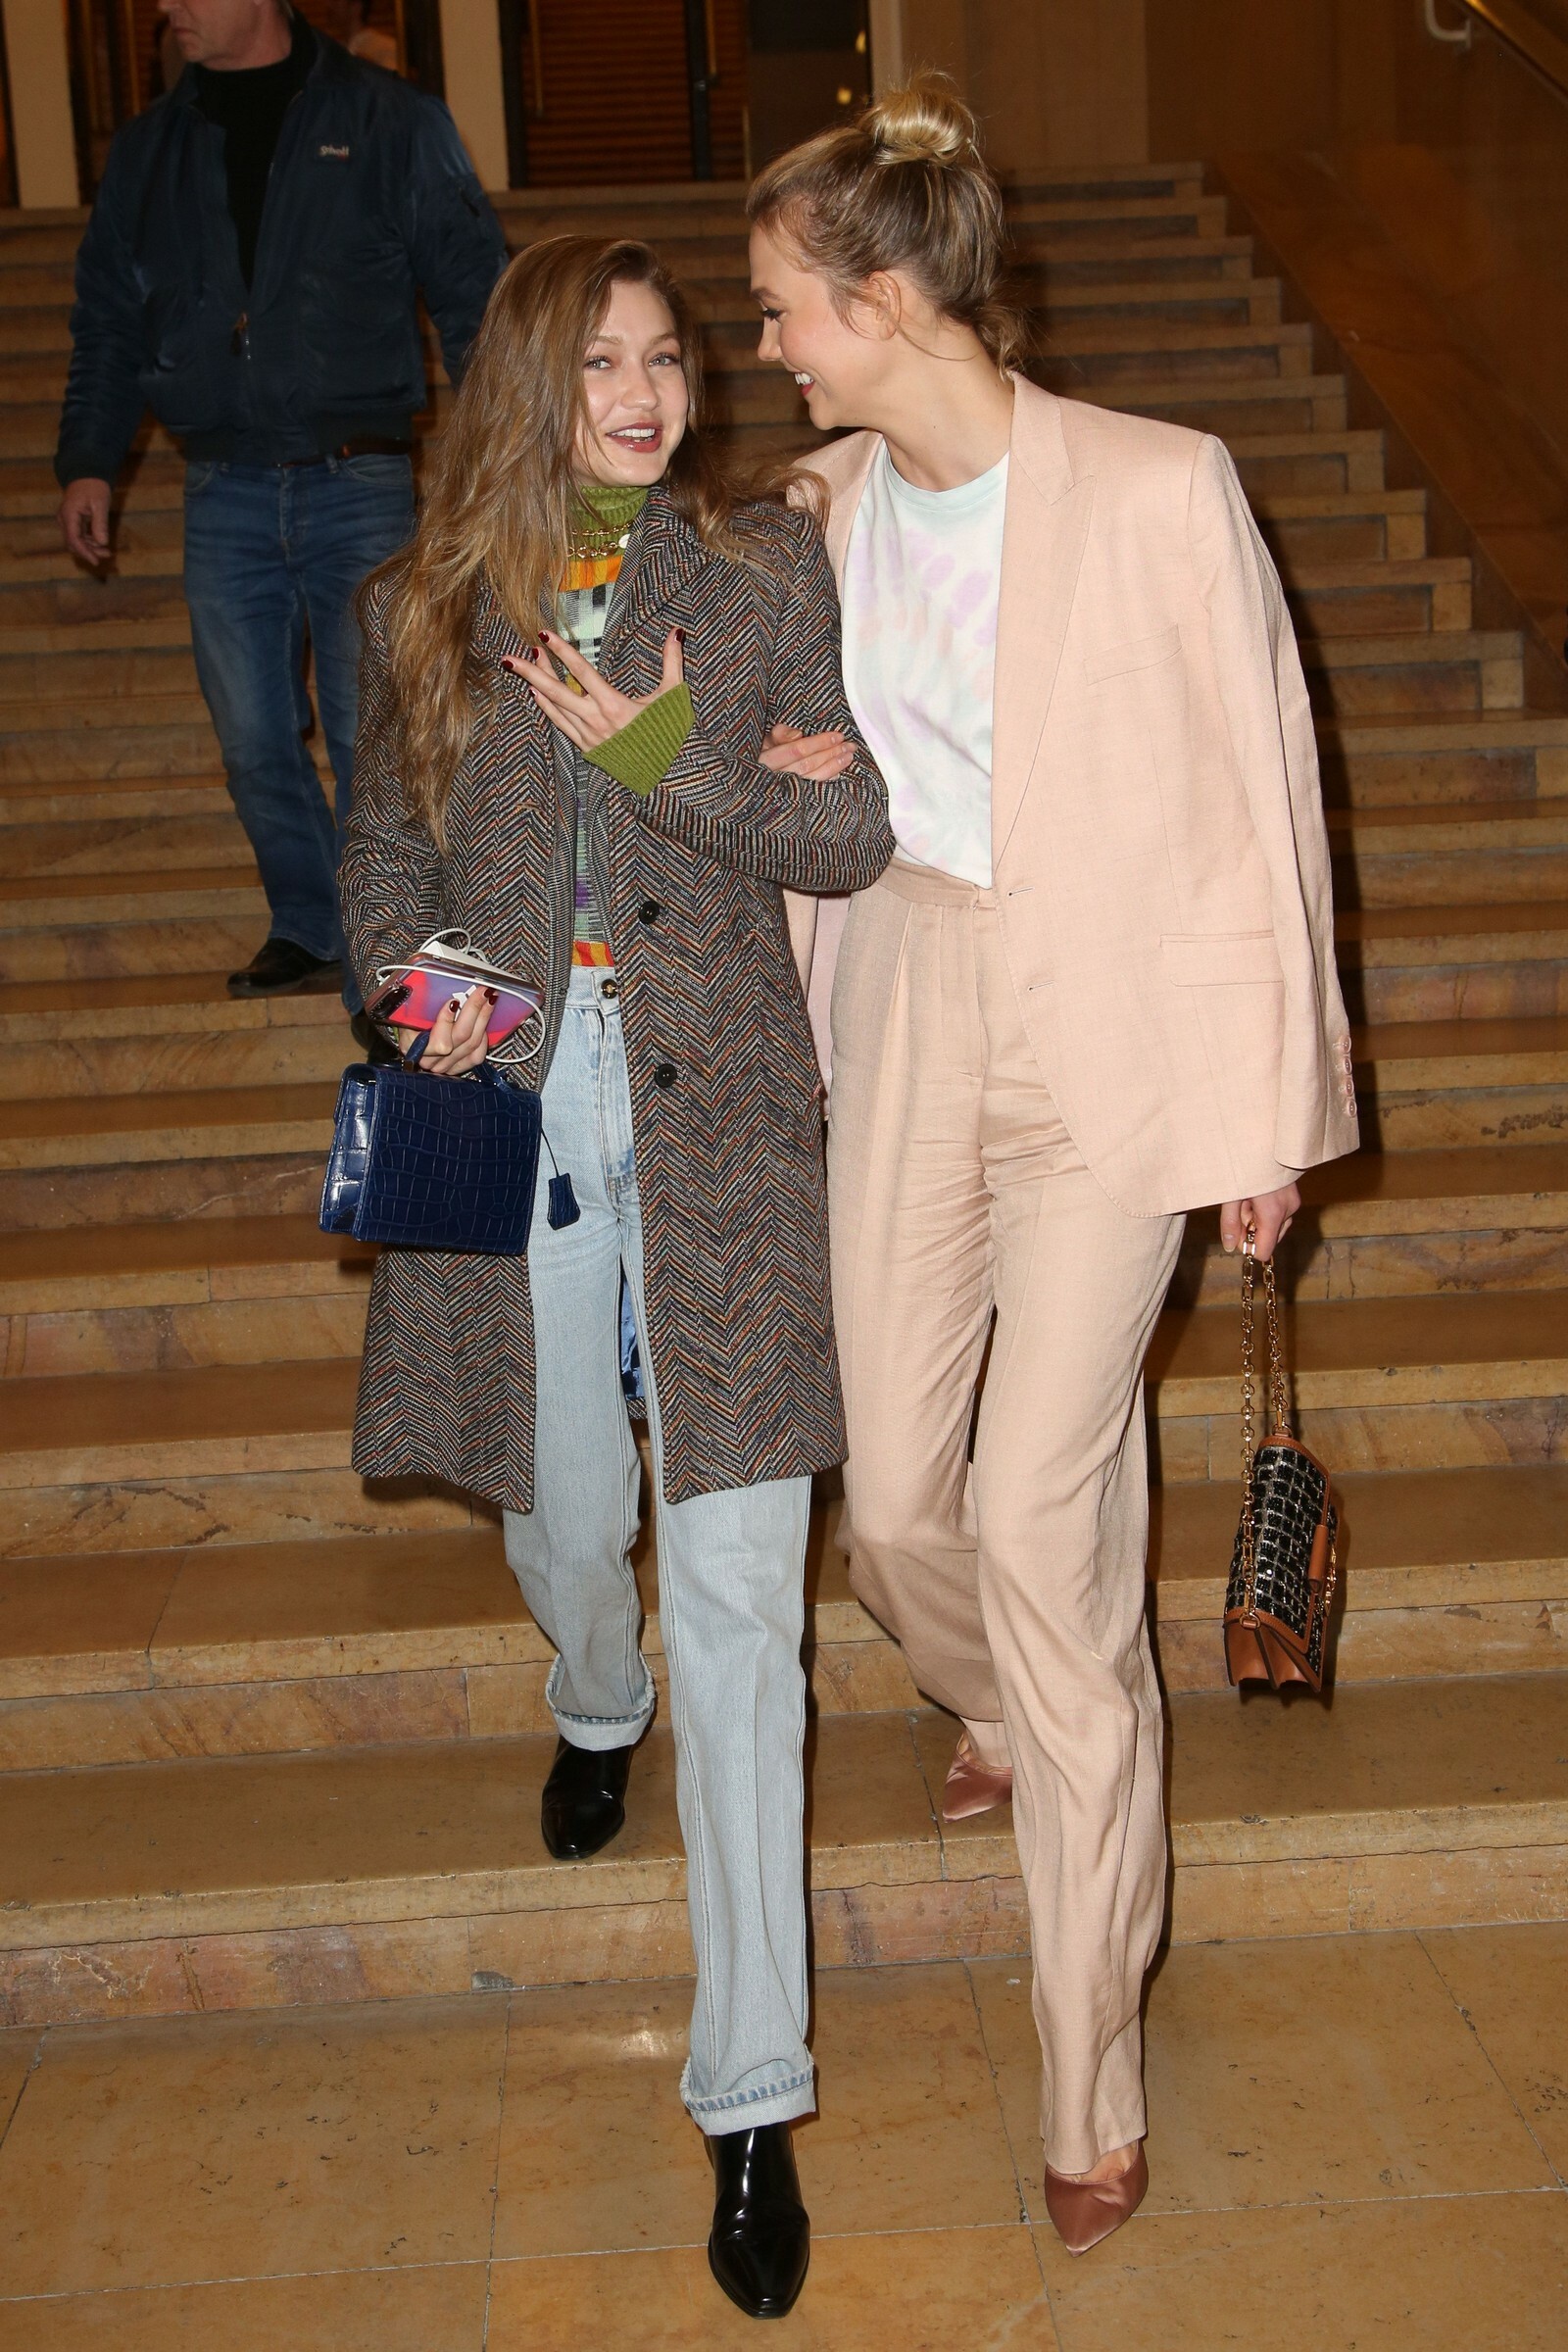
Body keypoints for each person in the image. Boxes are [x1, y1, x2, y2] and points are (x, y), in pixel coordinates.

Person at [749, 79, 1358, 2255]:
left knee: (1039, 1515)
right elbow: (739, 771)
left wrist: (1265, 1116)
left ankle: (1088, 2066)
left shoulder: (1160, 486)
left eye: (783, 307)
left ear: (886, 299)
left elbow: (1262, 798)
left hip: (1110, 1037)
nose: (764, 347)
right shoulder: (812, 512)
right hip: (906, 998)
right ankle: (1005, 1691)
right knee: (904, 1506)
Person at [339, 234, 894, 2320]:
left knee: (746, 1602)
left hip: (726, 1113)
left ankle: (751, 2100)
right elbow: (380, 859)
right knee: (569, 1517)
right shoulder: (419, 609)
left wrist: (681, 768)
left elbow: (847, 837)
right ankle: (593, 1690)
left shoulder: (755, 581)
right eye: (601, 365)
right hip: (514, 1093)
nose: (646, 394)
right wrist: (424, 999)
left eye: (667, 357)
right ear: (526, 385)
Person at [55, 0, 506, 1015]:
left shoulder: (392, 119)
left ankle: (392, 962)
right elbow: (109, 319)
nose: (165, 7)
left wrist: (508, 455)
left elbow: (478, 296)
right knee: (254, 738)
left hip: (361, 482)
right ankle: (308, 921)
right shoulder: (148, 151)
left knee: (374, 739)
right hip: (223, 487)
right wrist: (89, 459)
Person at [322, 0, 400, 74]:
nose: (329, 5)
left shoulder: (385, 48)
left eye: (335, 0)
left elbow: (394, 82)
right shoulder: (337, 49)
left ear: (356, 6)